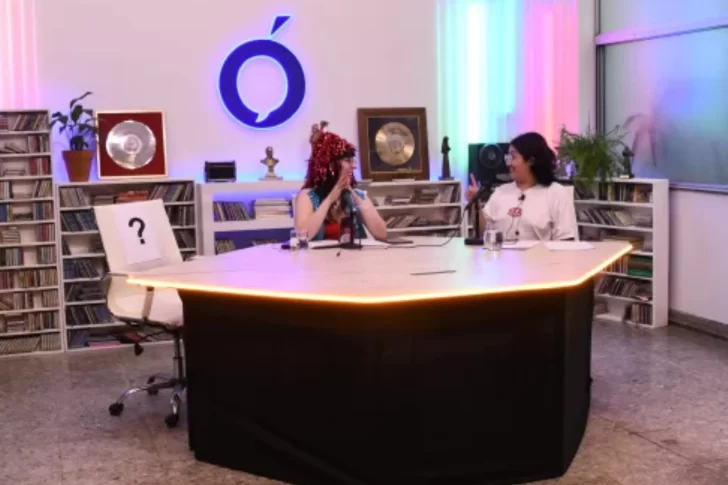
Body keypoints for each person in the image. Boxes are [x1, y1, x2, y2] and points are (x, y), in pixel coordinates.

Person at [466, 132, 578, 241]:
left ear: (531, 160)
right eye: (508, 157)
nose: (509, 163)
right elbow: (484, 233)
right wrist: (475, 203)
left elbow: (566, 239)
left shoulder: (556, 193)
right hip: (502, 254)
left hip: (541, 254)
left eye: (513, 157)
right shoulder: (500, 192)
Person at [295, 123, 388, 241]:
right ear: (330, 165)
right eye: (347, 161)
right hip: (322, 253)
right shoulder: (308, 196)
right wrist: (330, 199)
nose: (354, 166)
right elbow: (302, 235)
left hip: (354, 253)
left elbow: (382, 234)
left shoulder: (357, 194)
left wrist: (355, 197)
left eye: (353, 161)